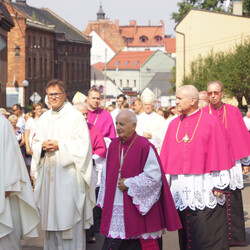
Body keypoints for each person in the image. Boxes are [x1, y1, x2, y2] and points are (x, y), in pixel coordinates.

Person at [160, 85, 234, 250]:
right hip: (181, 186)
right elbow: (166, 158)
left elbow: (220, 151)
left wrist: (219, 184)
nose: (176, 102)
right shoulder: (173, 125)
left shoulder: (211, 122)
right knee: (186, 232)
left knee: (207, 231)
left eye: (179, 98)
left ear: (192, 100)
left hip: (204, 184)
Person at [97, 109, 182, 250]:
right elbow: (106, 175)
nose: (118, 127)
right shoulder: (113, 145)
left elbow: (154, 178)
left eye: (122, 124)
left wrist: (129, 183)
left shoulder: (145, 146)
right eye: (117, 123)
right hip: (116, 203)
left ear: (134, 126)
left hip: (136, 207)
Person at [32, 79, 96, 250]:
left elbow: (84, 147)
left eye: (56, 94)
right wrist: (41, 147)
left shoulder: (75, 117)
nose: (53, 98)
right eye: (50, 94)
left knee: (69, 227)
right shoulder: (44, 117)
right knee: (50, 231)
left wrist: (61, 146)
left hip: (68, 180)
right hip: (49, 181)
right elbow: (35, 142)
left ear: (64, 95)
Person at [203, 80, 250, 245]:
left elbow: (243, 135)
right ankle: (217, 238)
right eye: (210, 93)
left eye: (216, 92)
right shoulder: (203, 113)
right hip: (212, 163)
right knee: (213, 198)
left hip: (232, 162)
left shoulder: (233, 111)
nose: (213, 96)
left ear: (222, 93)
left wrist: (246, 162)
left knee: (234, 197)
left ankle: (235, 238)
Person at [0, 110, 40, 249]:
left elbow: (10, 155)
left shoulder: (3, 124)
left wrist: (8, 185)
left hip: (3, 187)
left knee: (6, 234)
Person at [74, 102, 107, 243]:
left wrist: (93, 158)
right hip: (73, 173)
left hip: (89, 171)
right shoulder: (69, 130)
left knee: (90, 201)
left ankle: (90, 233)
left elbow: (101, 148)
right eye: (81, 114)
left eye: (86, 114)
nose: (85, 117)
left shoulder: (93, 129)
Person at [136, 88, 164, 153]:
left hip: (155, 149)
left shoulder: (159, 119)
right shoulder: (138, 119)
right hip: (141, 149)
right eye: (145, 105)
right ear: (143, 106)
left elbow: (163, 135)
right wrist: (142, 135)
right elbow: (134, 133)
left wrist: (152, 135)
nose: (147, 107)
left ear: (152, 106)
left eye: (149, 105)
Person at [25, 103, 43, 183]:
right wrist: (27, 147)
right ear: (34, 110)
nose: (39, 110)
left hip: (42, 145)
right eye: (37, 109)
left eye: (40, 108)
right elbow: (27, 134)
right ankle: (35, 184)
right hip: (33, 146)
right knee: (34, 166)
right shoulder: (30, 120)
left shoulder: (45, 118)